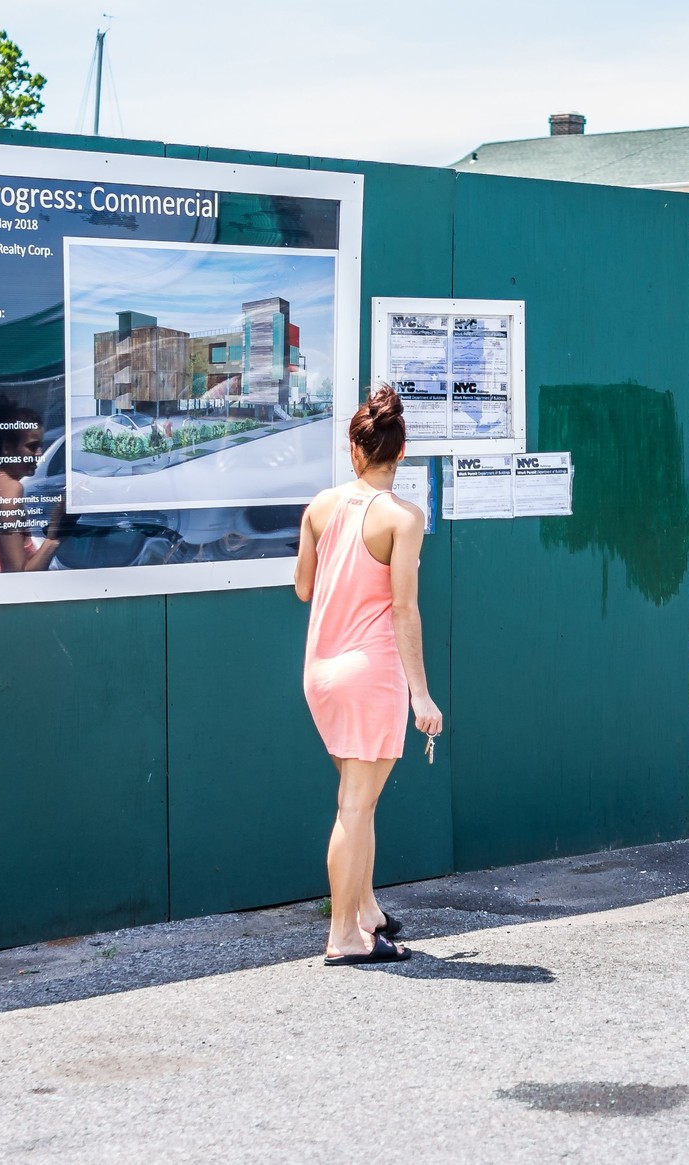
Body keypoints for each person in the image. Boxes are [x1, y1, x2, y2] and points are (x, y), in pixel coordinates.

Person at [295, 384, 443, 965]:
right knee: (355, 806)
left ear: (355, 450)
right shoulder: (403, 517)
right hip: (370, 674)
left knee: (361, 800)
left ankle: (367, 912)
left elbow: (304, 588)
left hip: (321, 672)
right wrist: (422, 694)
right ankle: (343, 938)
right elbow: (404, 609)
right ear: (399, 452)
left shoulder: (319, 507)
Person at [0, 399, 65, 574]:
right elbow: (20, 574)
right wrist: (53, 538)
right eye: (32, 446)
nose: (39, 454)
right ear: (7, 448)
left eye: (40, 446)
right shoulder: (11, 489)